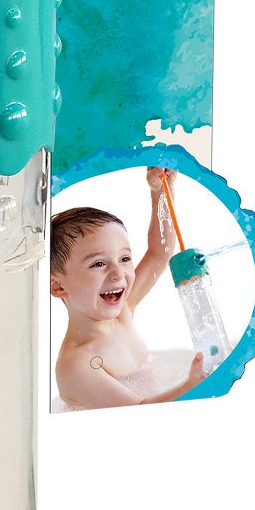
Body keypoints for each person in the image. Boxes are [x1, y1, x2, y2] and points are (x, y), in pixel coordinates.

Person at [50, 169, 205, 409]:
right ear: (58, 285)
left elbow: (160, 252)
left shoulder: (123, 311)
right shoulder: (77, 364)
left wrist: (160, 192)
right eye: (98, 264)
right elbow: (138, 412)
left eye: (124, 259)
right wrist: (190, 385)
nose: (118, 274)